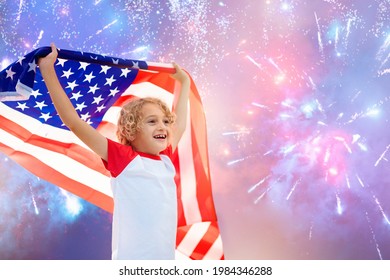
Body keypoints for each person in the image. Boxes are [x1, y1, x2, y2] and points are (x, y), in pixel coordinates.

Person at [38, 43, 190, 260]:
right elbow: (74, 122)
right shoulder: (124, 158)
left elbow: (181, 123)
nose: (163, 127)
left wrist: (183, 83)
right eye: (152, 121)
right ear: (131, 131)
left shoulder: (166, 158)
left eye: (166, 121)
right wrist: (47, 70)